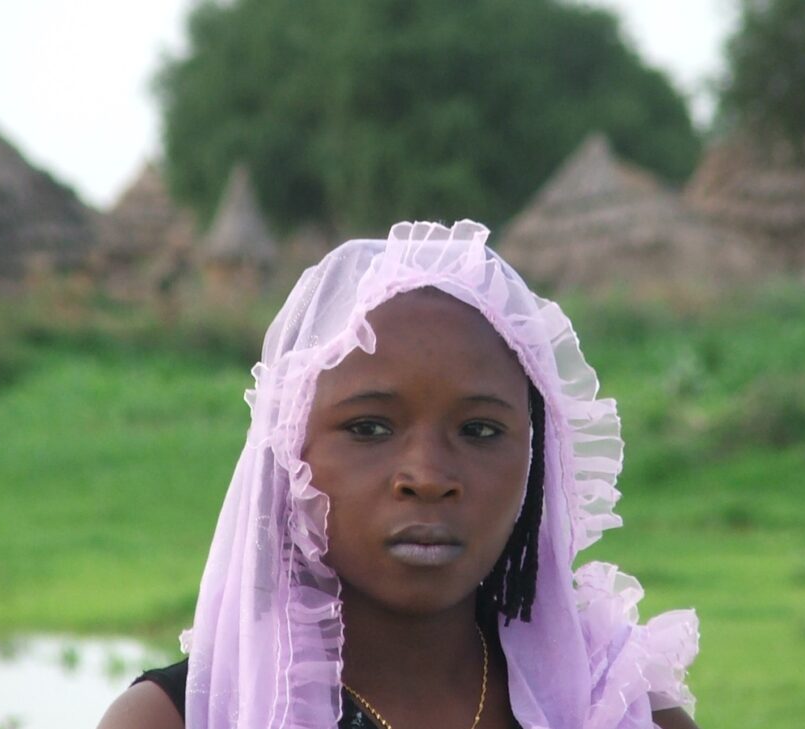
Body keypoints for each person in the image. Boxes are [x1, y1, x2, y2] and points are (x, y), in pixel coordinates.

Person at [99, 220, 700, 729]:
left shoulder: (613, 707)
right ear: (290, 451)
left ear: (535, 458)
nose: (428, 477)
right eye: (369, 428)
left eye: (480, 430)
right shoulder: (182, 719)